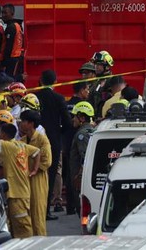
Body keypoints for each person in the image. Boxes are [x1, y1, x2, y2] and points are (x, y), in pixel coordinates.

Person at [0, 123, 41, 238]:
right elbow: (37, 152)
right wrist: (34, 169)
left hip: (17, 194)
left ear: (3, 134)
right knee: (14, 224)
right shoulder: (21, 145)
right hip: (20, 191)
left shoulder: (8, 146)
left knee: (22, 225)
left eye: (0, 132)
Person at [36, 69, 70, 220]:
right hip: (54, 141)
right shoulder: (59, 98)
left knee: (35, 174)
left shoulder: (35, 96)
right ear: (55, 81)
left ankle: (35, 208)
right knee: (50, 175)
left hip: (35, 140)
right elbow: (67, 121)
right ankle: (45, 210)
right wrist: (60, 131)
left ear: (41, 81)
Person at [18, 109, 52, 236]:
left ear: (31, 123)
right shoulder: (21, 141)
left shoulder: (42, 140)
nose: (21, 124)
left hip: (38, 180)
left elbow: (47, 161)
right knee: (26, 216)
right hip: (24, 181)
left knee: (37, 215)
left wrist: (34, 169)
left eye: (24, 121)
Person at [62, 81, 89, 215]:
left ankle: (71, 206)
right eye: (87, 89)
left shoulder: (66, 104)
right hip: (74, 149)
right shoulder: (84, 132)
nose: (73, 120)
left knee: (70, 178)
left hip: (68, 145)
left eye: (74, 117)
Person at [68, 101, 95, 193]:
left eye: (75, 116)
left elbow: (85, 157)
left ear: (82, 118)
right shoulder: (91, 131)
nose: (73, 119)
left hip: (81, 180)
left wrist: (79, 176)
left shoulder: (82, 135)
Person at [1, 4, 24, 80]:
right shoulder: (17, 25)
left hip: (12, 59)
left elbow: (8, 46)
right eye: (2, 13)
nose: (3, 15)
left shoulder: (11, 27)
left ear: (12, 14)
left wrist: (4, 62)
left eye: (5, 13)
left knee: (10, 80)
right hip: (15, 57)